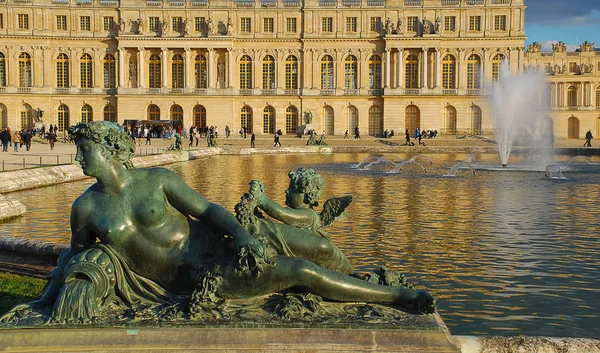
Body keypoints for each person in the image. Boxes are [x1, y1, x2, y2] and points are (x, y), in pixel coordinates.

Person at [1, 121, 434, 323]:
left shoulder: (157, 179)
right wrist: (63, 288)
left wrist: (243, 236)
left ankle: (389, 292)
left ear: (109, 149)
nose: (77, 158)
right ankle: (391, 293)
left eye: (84, 149)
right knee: (300, 272)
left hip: (214, 250)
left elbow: (209, 211)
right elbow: (73, 257)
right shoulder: (85, 208)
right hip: (191, 281)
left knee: (305, 258)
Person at [246, 168, 353, 273]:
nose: (287, 191)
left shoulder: (308, 215)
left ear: (308, 195)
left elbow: (280, 213)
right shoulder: (307, 213)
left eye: (293, 189)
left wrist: (261, 198)